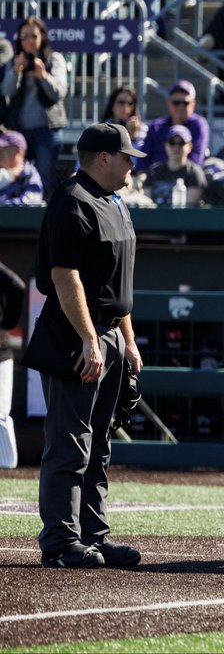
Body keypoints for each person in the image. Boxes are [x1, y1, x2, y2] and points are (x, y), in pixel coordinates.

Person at [25, 122, 144, 569]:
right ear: (102, 158)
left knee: (99, 444)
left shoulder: (114, 201)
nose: (132, 164)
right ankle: (60, 540)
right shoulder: (72, 201)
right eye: (127, 156)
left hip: (109, 334)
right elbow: (63, 276)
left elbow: (117, 283)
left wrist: (127, 341)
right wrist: (91, 340)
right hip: (77, 336)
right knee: (70, 442)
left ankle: (93, 534)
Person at [1, 16, 67, 193]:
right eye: (24, 37)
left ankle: (45, 214)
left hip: (47, 130)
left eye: (34, 36)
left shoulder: (54, 59)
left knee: (46, 176)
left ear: (42, 37)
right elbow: (7, 90)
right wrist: (16, 70)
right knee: (16, 173)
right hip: (20, 131)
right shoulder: (15, 61)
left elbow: (59, 92)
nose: (29, 41)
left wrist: (43, 76)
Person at [145, 124, 207, 206]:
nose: (176, 147)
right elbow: (146, 203)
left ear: (189, 146)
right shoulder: (154, 171)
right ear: (165, 145)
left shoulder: (194, 173)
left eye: (181, 143)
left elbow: (189, 207)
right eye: (172, 142)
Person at [0, 259, 24, 469]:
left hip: (0, 354)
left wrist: (5, 326)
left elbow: (18, 287)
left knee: (0, 414)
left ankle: (6, 468)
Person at [0, 129, 44, 205]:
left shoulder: (30, 175)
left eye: (4, 150)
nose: (0, 154)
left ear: (19, 151)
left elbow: (28, 205)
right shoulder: (3, 172)